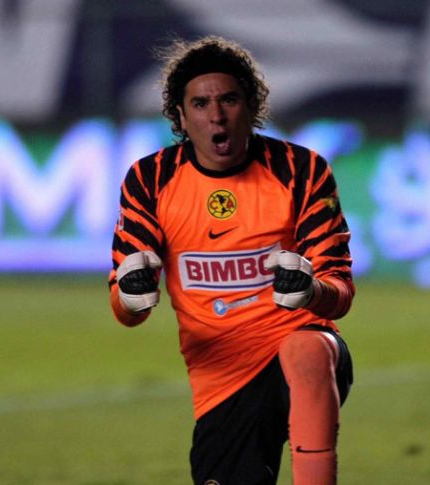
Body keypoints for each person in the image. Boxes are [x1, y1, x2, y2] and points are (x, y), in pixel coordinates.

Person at [108, 35, 355, 485]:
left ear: (252, 106)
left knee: (307, 348)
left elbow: (339, 293)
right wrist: (131, 295)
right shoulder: (150, 179)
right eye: (200, 104)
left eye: (229, 100)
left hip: (299, 352)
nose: (216, 115)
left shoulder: (302, 170)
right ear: (181, 117)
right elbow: (126, 310)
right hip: (221, 381)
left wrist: (311, 291)